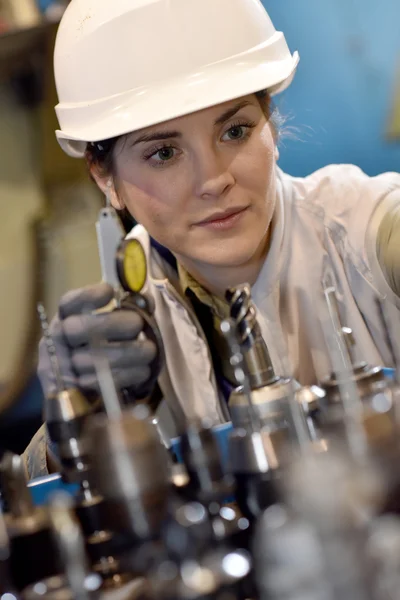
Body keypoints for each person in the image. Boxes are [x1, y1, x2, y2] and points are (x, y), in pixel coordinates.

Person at [23, 0, 400, 478]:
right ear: (105, 178)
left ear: (271, 123)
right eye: (163, 152)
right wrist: (71, 423)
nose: (214, 179)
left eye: (236, 130)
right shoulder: (120, 333)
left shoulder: (365, 229)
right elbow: (41, 495)